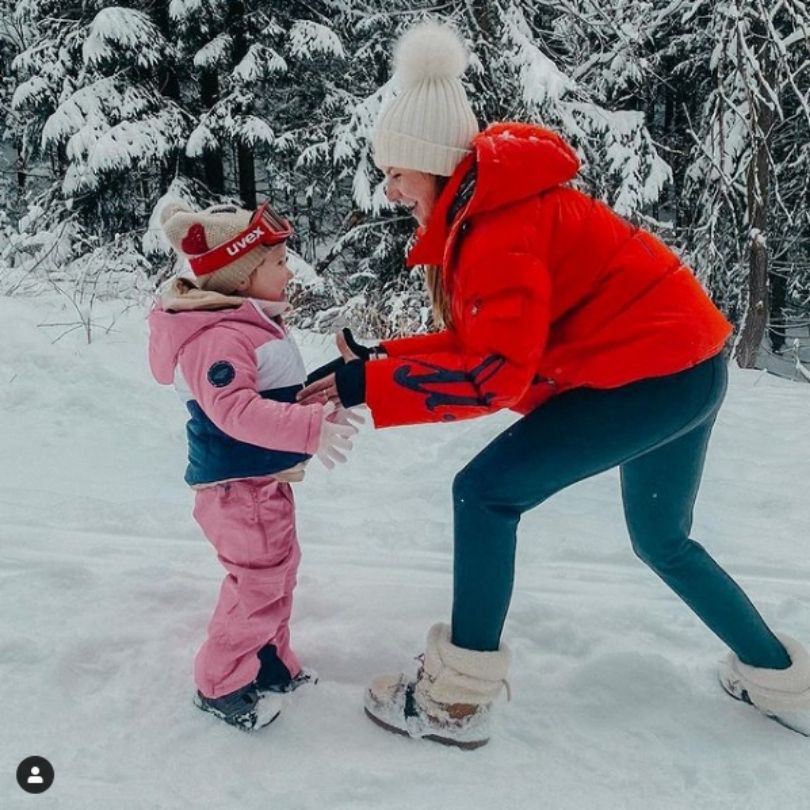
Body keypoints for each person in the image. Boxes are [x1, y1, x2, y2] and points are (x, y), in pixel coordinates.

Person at [298, 21, 810, 748]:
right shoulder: (497, 210)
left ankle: (457, 702)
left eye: (397, 170)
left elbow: (492, 376)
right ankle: (785, 684)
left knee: (485, 494)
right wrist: (379, 360)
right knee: (663, 540)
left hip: (652, 379)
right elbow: (487, 339)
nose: (390, 188)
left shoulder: (497, 230)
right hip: (689, 368)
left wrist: (367, 386)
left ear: (433, 164)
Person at [149, 201, 358, 731]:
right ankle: (220, 683)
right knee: (257, 585)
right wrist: (309, 429)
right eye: (279, 263)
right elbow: (236, 411)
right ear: (242, 277)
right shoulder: (218, 337)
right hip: (236, 491)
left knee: (277, 575)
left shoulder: (250, 324)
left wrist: (332, 396)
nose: (290, 272)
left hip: (262, 484)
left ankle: (266, 661)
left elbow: (276, 397)